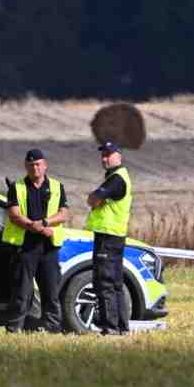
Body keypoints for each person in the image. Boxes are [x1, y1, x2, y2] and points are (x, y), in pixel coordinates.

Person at [3, 149, 70, 333]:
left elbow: (64, 214)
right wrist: (37, 227)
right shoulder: (16, 187)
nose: (35, 168)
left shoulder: (57, 186)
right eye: (31, 165)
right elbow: (14, 215)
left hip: (49, 248)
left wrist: (46, 222)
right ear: (26, 166)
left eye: (38, 164)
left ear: (45, 164)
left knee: (51, 291)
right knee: (21, 291)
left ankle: (52, 327)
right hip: (25, 247)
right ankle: (14, 327)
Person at [86, 141, 133, 335]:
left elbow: (93, 199)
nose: (104, 158)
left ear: (119, 155)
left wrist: (95, 199)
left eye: (109, 154)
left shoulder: (116, 179)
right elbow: (97, 199)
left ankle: (110, 328)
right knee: (115, 284)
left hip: (108, 236)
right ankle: (122, 327)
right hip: (115, 236)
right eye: (103, 155)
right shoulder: (117, 177)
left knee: (104, 283)